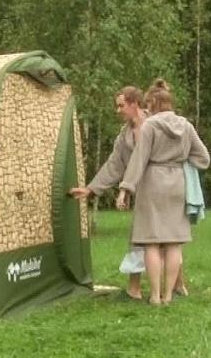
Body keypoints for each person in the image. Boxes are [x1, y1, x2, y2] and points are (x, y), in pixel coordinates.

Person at [68, 86, 188, 300]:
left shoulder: (161, 122)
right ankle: (136, 287)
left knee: (170, 237)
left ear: (135, 104)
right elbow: (114, 165)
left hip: (168, 187)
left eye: (121, 105)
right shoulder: (124, 137)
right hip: (144, 192)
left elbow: (184, 147)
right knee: (141, 237)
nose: (118, 110)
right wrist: (91, 189)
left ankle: (174, 285)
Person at [116, 79, 210, 305]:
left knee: (151, 242)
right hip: (177, 183)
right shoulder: (186, 126)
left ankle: (155, 296)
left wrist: (125, 189)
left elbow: (139, 160)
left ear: (154, 103)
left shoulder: (150, 126)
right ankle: (169, 295)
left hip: (152, 183)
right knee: (174, 243)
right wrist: (181, 161)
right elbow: (204, 158)